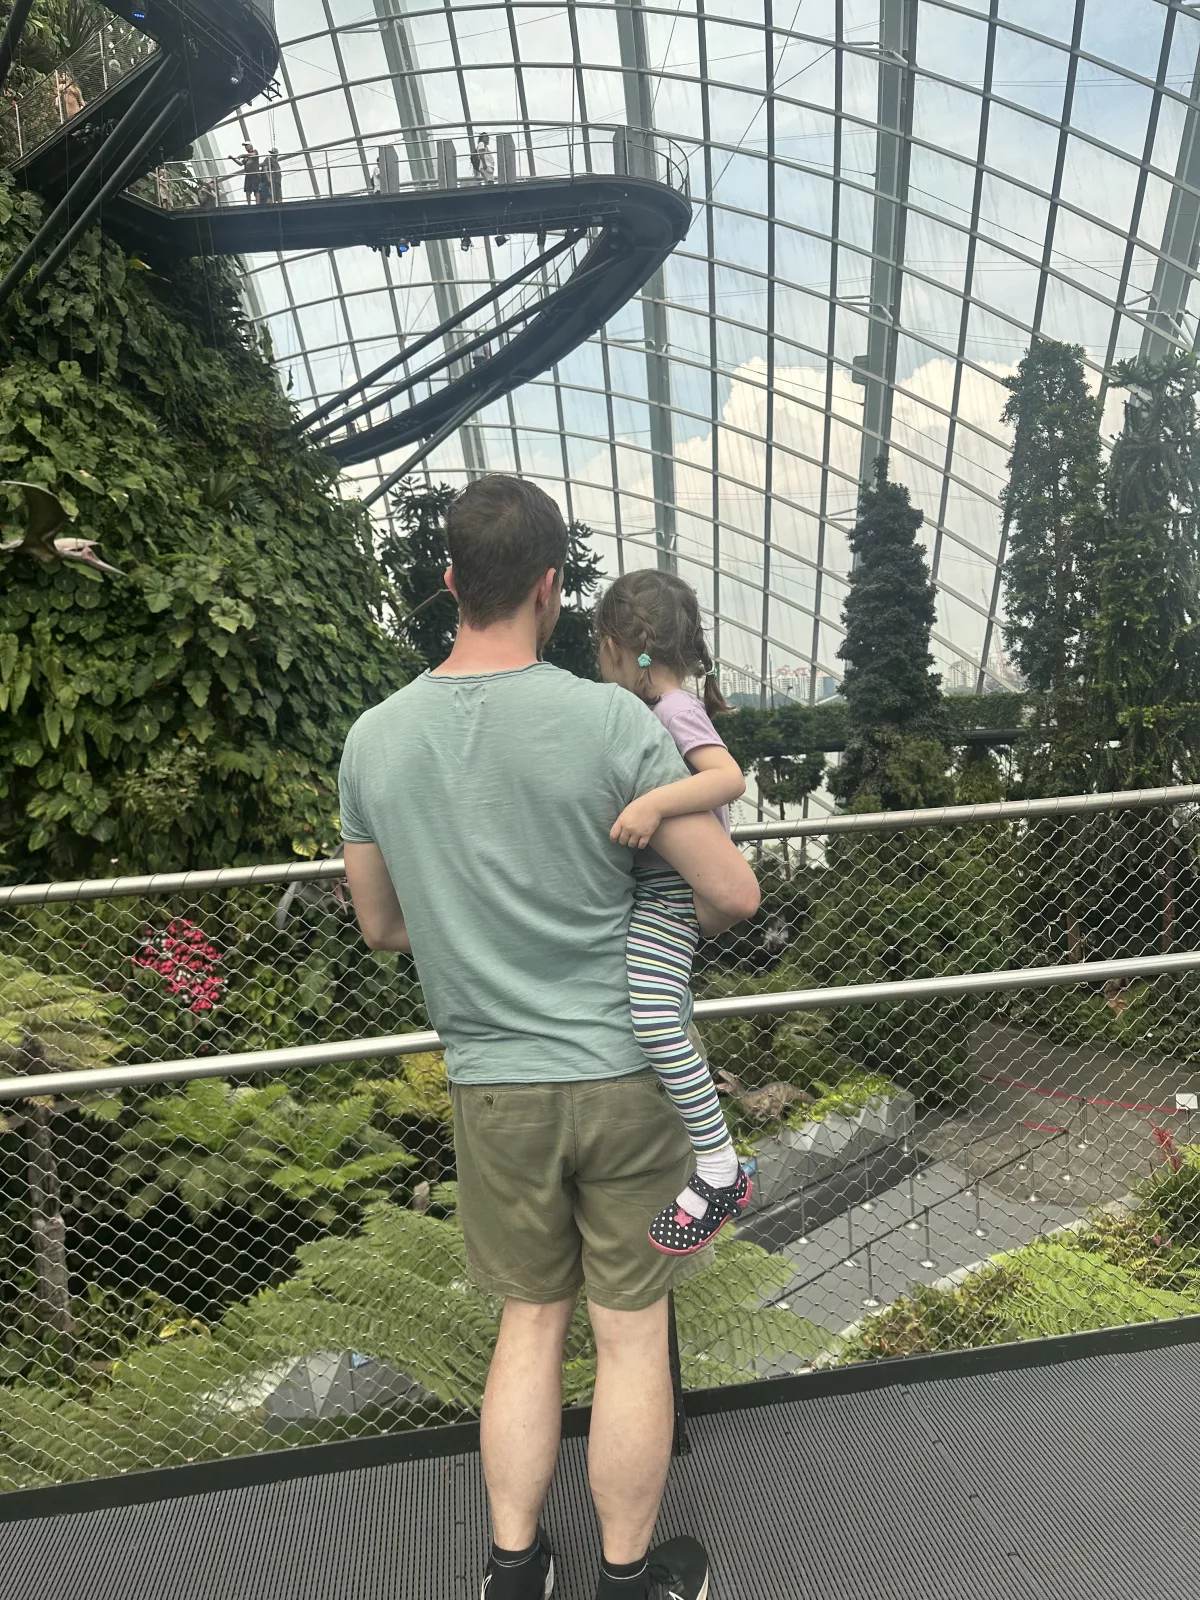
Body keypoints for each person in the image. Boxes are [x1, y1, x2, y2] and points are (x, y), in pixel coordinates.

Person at [339, 475, 758, 1600]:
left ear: (446, 585)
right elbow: (729, 891)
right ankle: (630, 1580)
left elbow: (381, 926)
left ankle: (515, 1569)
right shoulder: (612, 720)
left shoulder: (374, 740)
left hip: (494, 1084)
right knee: (630, 1333)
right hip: (627, 1074)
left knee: (529, 1326)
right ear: (551, 588)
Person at [594, 570, 750, 1254]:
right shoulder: (662, 707)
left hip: (666, 897)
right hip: (658, 893)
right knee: (662, 1013)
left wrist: (653, 804)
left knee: (656, 1019)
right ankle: (714, 1163)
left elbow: (727, 778)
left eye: (601, 649)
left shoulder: (670, 709)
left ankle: (719, 1169)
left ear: (628, 647)